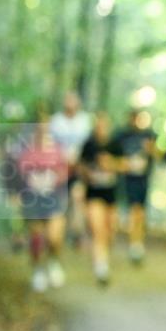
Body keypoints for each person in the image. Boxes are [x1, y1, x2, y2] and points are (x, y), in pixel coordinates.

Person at [17, 115, 70, 293]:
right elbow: (20, 177)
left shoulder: (57, 151)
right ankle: (38, 270)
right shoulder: (26, 152)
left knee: (54, 237)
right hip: (33, 199)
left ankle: (54, 262)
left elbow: (65, 172)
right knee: (37, 238)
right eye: (39, 128)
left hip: (53, 197)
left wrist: (55, 178)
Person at [78, 111, 121, 286]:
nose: (101, 128)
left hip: (110, 194)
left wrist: (111, 164)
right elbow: (79, 166)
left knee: (109, 231)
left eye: (104, 125)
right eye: (99, 125)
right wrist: (88, 173)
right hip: (93, 194)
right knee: (98, 230)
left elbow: (126, 164)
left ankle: (103, 257)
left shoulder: (115, 144)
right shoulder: (88, 145)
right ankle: (101, 266)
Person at [113, 108, 158, 265]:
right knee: (134, 210)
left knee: (140, 211)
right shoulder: (121, 135)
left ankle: (138, 241)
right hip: (127, 179)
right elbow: (113, 154)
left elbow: (159, 155)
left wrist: (151, 150)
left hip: (143, 179)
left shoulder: (148, 135)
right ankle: (135, 243)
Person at [49, 91, 92, 248]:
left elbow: (89, 146)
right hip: (59, 169)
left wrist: (82, 165)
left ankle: (77, 232)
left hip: (78, 168)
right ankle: (58, 230)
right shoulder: (56, 121)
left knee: (77, 197)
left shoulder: (85, 121)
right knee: (60, 201)